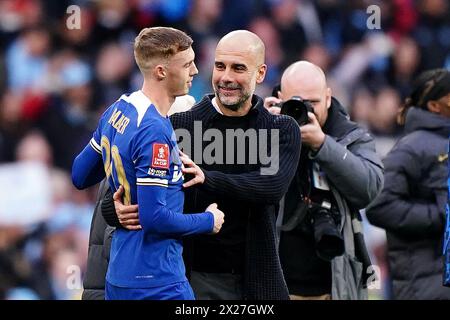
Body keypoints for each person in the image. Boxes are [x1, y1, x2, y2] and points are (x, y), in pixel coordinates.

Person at [100, 30, 302, 300]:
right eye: (220, 66)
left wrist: (208, 178)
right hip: (189, 280)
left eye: (238, 68)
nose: (226, 77)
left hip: (256, 281)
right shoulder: (178, 126)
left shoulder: (280, 128)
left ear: (261, 73)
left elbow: (271, 186)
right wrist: (112, 210)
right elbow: (125, 187)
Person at [71, 27, 225, 300]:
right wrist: (208, 220)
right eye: (187, 64)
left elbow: (80, 175)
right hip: (157, 281)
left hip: (118, 275)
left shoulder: (118, 109)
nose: (195, 72)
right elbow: (154, 219)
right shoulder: (153, 129)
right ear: (161, 72)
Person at [265, 61, 384, 300]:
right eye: (297, 103)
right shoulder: (266, 130)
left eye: (314, 103)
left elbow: (369, 189)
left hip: (333, 288)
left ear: (329, 98)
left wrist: (322, 144)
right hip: (275, 287)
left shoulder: (350, 136)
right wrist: (263, 130)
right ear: (280, 98)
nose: (307, 111)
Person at [366, 68, 450, 300]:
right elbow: (379, 206)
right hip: (427, 286)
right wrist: (440, 215)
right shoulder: (410, 148)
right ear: (434, 106)